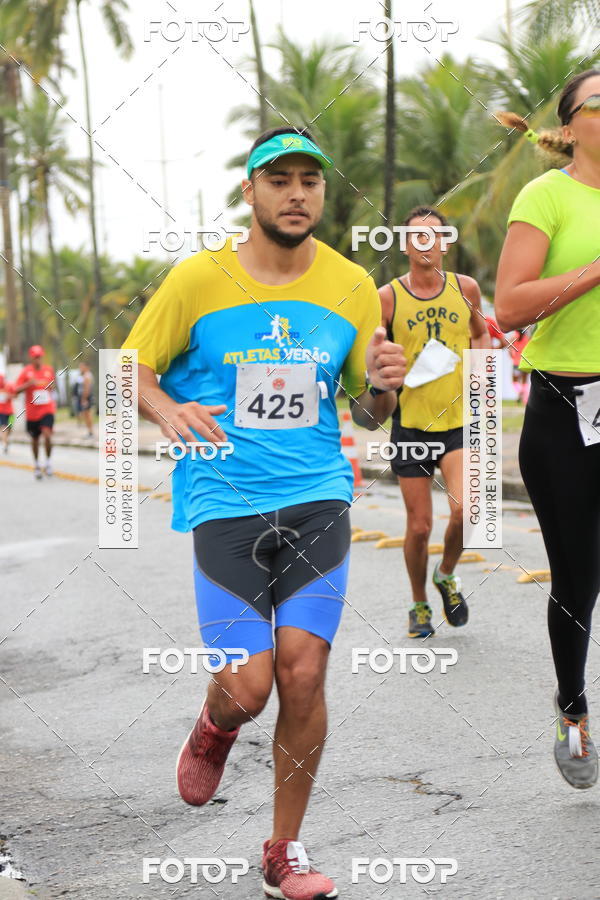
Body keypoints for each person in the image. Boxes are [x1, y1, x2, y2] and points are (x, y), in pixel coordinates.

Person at [123, 127, 406, 899]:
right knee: (249, 688)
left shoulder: (350, 284)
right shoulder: (197, 279)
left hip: (318, 495)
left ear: (323, 192)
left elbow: (370, 410)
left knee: (304, 673)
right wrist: (165, 406)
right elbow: (130, 368)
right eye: (277, 180)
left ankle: (284, 850)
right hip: (223, 498)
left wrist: (383, 385)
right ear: (248, 192)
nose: (295, 194)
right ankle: (216, 723)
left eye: (309, 181)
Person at [495, 69, 600, 789]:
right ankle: (572, 707)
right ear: (570, 125)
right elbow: (510, 304)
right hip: (567, 409)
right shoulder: (548, 196)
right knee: (580, 578)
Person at [378, 206, 490, 639]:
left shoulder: (466, 289)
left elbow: (480, 333)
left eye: (434, 236)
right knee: (420, 526)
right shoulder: (389, 296)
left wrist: (482, 373)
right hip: (411, 425)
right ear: (405, 245)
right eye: (416, 237)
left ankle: (446, 575)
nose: (425, 243)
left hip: (458, 422)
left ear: (445, 242)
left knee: (465, 510)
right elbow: (375, 355)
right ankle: (419, 602)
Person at [14, 345, 56, 479]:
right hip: (32, 413)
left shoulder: (48, 370)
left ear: (42, 357)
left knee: (47, 434)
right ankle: (37, 465)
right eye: (35, 357)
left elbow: (53, 386)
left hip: (47, 409)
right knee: (35, 439)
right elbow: (16, 390)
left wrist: (50, 386)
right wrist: (28, 384)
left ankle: (48, 463)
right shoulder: (26, 372)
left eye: (39, 357)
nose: (37, 360)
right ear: (31, 358)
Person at [76, 361, 95, 438]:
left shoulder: (87, 376)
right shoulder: (86, 375)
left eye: (81, 367)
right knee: (86, 414)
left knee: (87, 414)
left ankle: (91, 432)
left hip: (86, 398)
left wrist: (84, 399)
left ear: (86, 367)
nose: (80, 369)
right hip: (86, 397)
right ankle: (90, 432)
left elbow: (86, 389)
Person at [0, 373, 15, 453]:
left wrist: (9, 396)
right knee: (4, 427)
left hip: (10, 411)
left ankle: (6, 439)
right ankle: (5, 444)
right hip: (1, 412)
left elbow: (15, 395)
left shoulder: (9, 386)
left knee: (10, 428)